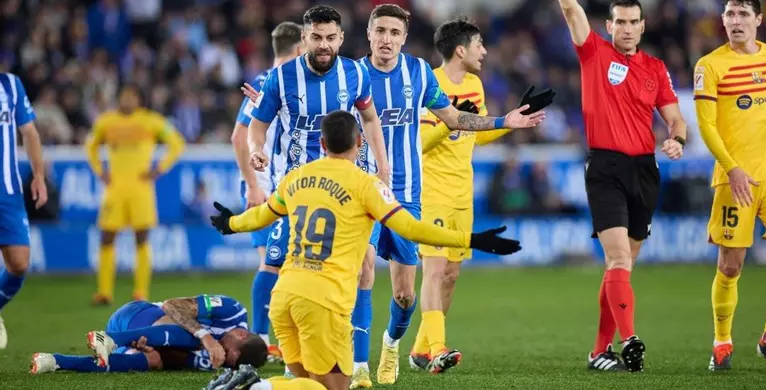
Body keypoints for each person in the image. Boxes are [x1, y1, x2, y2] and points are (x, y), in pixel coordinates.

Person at [207, 110, 522, 390]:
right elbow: (411, 228)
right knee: (332, 388)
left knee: (305, 383)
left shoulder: (296, 177)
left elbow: (261, 216)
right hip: (322, 302)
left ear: (322, 144)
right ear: (360, 142)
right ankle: (253, 387)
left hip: (284, 297)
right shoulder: (366, 185)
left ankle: (257, 385)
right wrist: (469, 239)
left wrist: (230, 223)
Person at [350, 4, 547, 387]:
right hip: (363, 191)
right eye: (380, 31)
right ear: (369, 34)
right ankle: (360, 367)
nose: (387, 39)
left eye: (394, 32)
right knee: (363, 272)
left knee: (405, 294)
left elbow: (454, 119)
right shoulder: (352, 75)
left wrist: (505, 121)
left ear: (404, 38)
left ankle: (393, 344)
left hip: (407, 195)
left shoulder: (418, 73)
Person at [544, 0, 687, 373]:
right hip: (605, 168)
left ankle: (599, 351)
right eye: (619, 22)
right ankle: (630, 340)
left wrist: (677, 139)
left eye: (633, 22)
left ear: (643, 26)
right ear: (608, 26)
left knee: (620, 268)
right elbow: (569, 5)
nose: (626, 28)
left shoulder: (656, 69)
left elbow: (675, 118)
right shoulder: (594, 53)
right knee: (619, 257)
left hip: (645, 170)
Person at [409, 17, 555, 373]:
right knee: (434, 270)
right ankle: (438, 348)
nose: (485, 51)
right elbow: (419, 144)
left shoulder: (474, 84)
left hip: (463, 193)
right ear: (461, 50)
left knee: (451, 275)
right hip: (433, 191)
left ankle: (420, 350)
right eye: (479, 45)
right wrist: (451, 122)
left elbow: (478, 134)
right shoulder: (429, 83)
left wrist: (510, 120)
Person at [245, 5, 391, 311]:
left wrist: (383, 165)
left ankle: (355, 342)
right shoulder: (280, 79)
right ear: (304, 38)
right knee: (275, 264)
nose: (324, 45)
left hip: (347, 185)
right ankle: (263, 334)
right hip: (297, 186)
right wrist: (256, 150)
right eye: (316, 37)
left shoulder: (356, 73)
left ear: (340, 38)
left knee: (364, 265)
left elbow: (370, 119)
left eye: (330, 38)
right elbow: (256, 128)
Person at [694, 0, 766, 372]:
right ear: (722, 21)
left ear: (758, 19)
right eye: (729, 14)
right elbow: (706, 126)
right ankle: (722, 342)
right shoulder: (710, 65)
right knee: (730, 266)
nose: (735, 21)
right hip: (734, 177)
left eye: (743, 14)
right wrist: (731, 167)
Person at [231, 21, 303, 359]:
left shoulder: (286, 83)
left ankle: (273, 338)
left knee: (282, 264)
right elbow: (238, 137)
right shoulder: (266, 83)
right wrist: (252, 186)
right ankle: (259, 339)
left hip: (281, 188)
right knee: (270, 262)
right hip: (265, 188)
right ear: (300, 48)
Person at [86, 84, 186, 306]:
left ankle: (140, 292)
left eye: (132, 96)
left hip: (141, 188)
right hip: (114, 189)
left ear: (139, 99)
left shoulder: (151, 121)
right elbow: (90, 146)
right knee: (107, 237)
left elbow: (177, 143)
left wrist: (159, 169)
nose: (128, 100)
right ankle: (104, 292)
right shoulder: (106, 122)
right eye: (124, 96)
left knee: (141, 237)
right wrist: (100, 171)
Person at [31, 294, 268, 374]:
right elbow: (171, 305)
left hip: (141, 340)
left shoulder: (217, 362)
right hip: (137, 313)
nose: (222, 355)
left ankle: (55, 361)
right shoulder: (233, 311)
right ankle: (108, 340)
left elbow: (174, 359)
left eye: (227, 362)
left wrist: (156, 350)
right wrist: (205, 337)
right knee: (194, 336)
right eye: (227, 351)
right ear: (240, 335)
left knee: (153, 361)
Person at [0, 71, 48, 349]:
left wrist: (38, 175)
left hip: (8, 191)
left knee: (18, 264)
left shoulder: (10, 85)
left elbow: (29, 131)